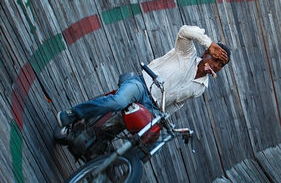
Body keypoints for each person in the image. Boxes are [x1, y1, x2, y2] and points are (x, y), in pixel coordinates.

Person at [56, 25, 230, 127]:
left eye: (220, 65)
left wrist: (161, 118)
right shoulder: (187, 54)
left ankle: (102, 161)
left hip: (153, 108)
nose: (215, 65)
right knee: (118, 102)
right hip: (142, 86)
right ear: (207, 53)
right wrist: (209, 42)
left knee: (145, 139)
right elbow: (184, 31)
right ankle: (72, 114)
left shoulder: (201, 87)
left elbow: (177, 104)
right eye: (215, 58)